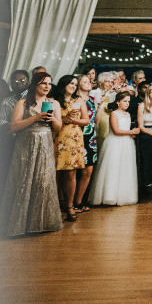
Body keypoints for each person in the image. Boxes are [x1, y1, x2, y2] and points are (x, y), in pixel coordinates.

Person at [0, 72, 63, 236]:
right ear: (35, 85)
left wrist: (51, 119)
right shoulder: (22, 102)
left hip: (45, 143)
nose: (47, 87)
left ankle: (42, 223)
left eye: (49, 84)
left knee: (43, 180)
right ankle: (19, 224)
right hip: (25, 144)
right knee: (23, 179)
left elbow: (58, 128)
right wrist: (35, 118)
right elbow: (14, 126)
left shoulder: (53, 103)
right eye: (43, 83)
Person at [88, 91, 139, 206]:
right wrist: (131, 131)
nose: (127, 104)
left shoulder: (128, 115)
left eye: (128, 102)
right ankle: (109, 196)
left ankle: (124, 195)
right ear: (118, 102)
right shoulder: (114, 114)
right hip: (115, 143)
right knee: (113, 168)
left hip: (126, 143)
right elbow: (116, 131)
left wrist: (131, 134)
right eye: (124, 101)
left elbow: (124, 130)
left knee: (125, 168)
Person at [50, 75, 87, 221]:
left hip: (74, 140)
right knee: (55, 174)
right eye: (71, 83)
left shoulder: (79, 101)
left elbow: (86, 121)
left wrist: (74, 119)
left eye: (75, 84)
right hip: (57, 138)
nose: (73, 86)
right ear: (64, 84)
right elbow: (51, 122)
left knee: (71, 174)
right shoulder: (54, 101)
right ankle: (54, 207)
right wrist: (66, 119)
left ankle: (70, 207)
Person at [0, 70, 29, 203]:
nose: (18, 84)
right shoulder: (7, 101)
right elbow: (2, 120)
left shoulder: (33, 98)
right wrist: (13, 127)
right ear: (11, 84)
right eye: (15, 81)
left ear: (28, 82)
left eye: (22, 80)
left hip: (31, 139)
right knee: (13, 172)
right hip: (13, 140)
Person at [73, 74, 96, 213]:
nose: (89, 83)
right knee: (74, 170)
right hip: (78, 134)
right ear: (78, 85)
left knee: (88, 170)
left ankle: (79, 200)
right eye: (85, 81)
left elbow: (96, 119)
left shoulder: (92, 99)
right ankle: (70, 202)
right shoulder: (75, 99)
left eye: (89, 81)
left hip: (91, 135)